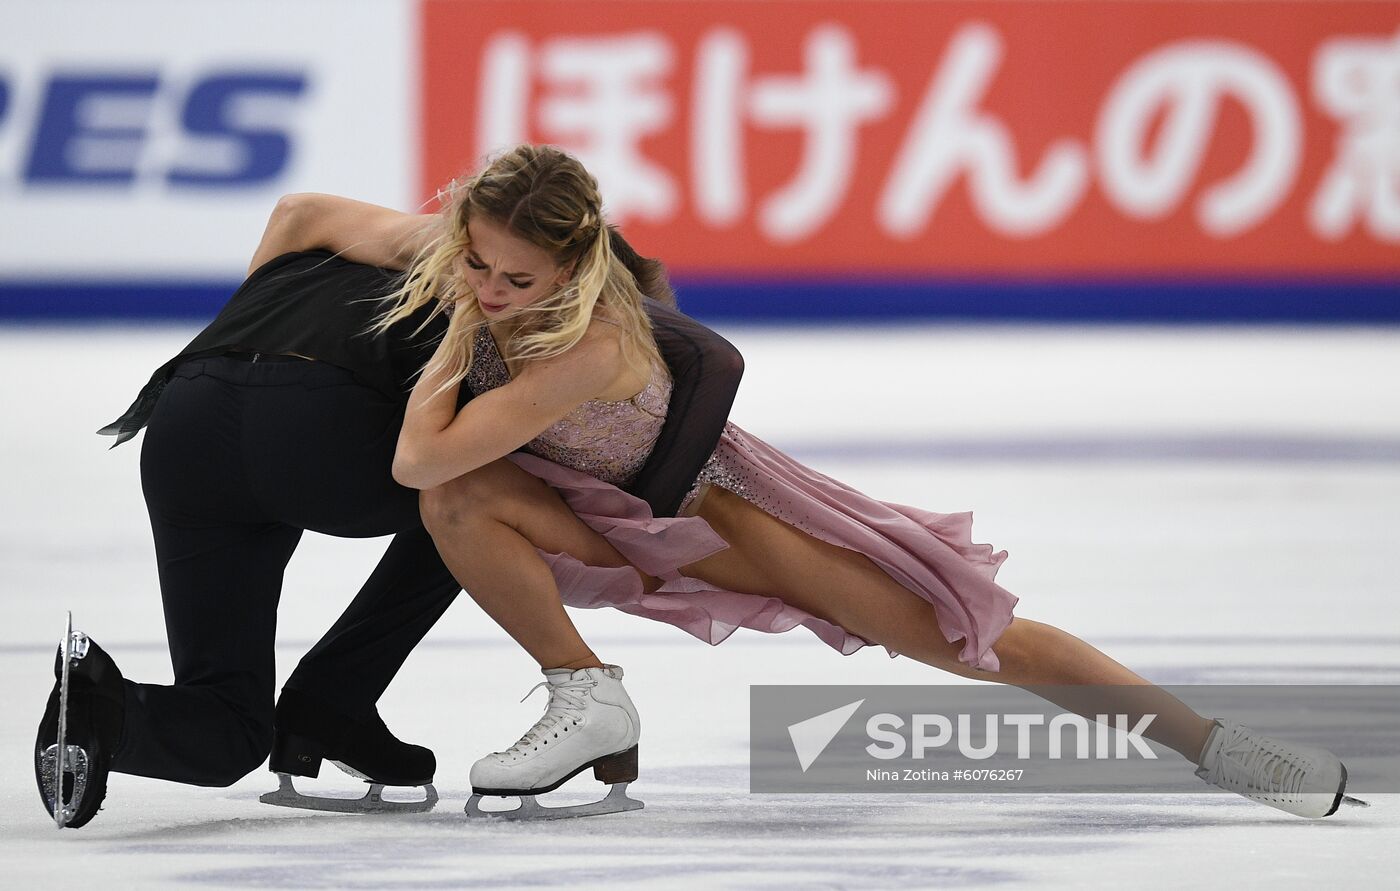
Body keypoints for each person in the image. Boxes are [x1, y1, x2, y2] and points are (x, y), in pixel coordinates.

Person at [370, 143, 1361, 821]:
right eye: (472, 264)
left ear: (573, 267)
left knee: (981, 644)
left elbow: (418, 452)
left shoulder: (593, 339)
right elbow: (305, 215)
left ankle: (1217, 748)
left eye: (514, 280)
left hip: (722, 517)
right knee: (459, 501)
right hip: (608, 515)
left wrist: (458, 328)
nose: (487, 289)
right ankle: (585, 694)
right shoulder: (471, 258)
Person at [33, 189, 745, 828]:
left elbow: (295, 213)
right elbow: (707, 357)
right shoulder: (539, 305)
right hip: (321, 430)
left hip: (188, 417)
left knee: (229, 727)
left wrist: (254, 350)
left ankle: (105, 709)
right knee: (474, 497)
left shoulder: (443, 245)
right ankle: (330, 700)